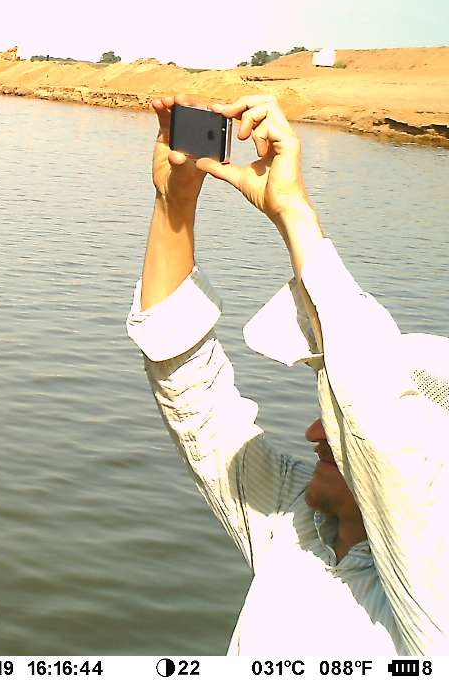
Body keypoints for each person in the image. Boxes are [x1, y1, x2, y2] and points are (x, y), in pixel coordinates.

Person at [127, 93, 448, 654]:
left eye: (340, 423)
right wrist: (175, 201)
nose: (315, 432)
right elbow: (186, 383)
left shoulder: (433, 602)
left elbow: (381, 425)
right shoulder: (293, 518)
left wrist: (293, 210)